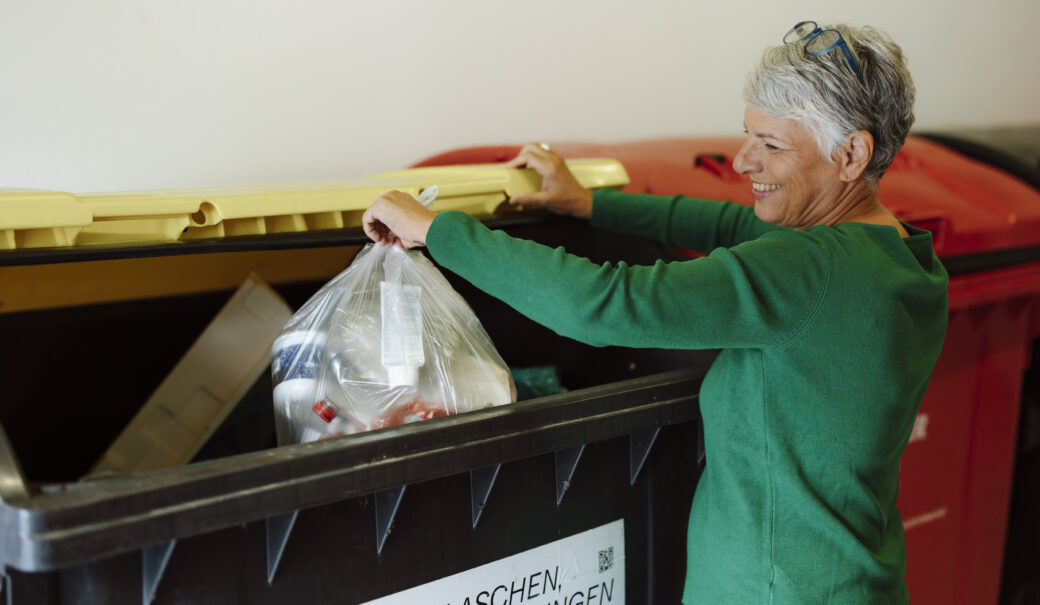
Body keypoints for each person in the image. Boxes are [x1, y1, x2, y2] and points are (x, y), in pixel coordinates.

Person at [362, 21, 948, 605]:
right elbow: (726, 223)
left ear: (851, 153)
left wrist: (439, 231)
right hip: (855, 578)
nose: (744, 162)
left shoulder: (807, 270)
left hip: (774, 589)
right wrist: (587, 202)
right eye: (748, 135)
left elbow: (603, 303)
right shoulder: (902, 259)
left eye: (771, 145)